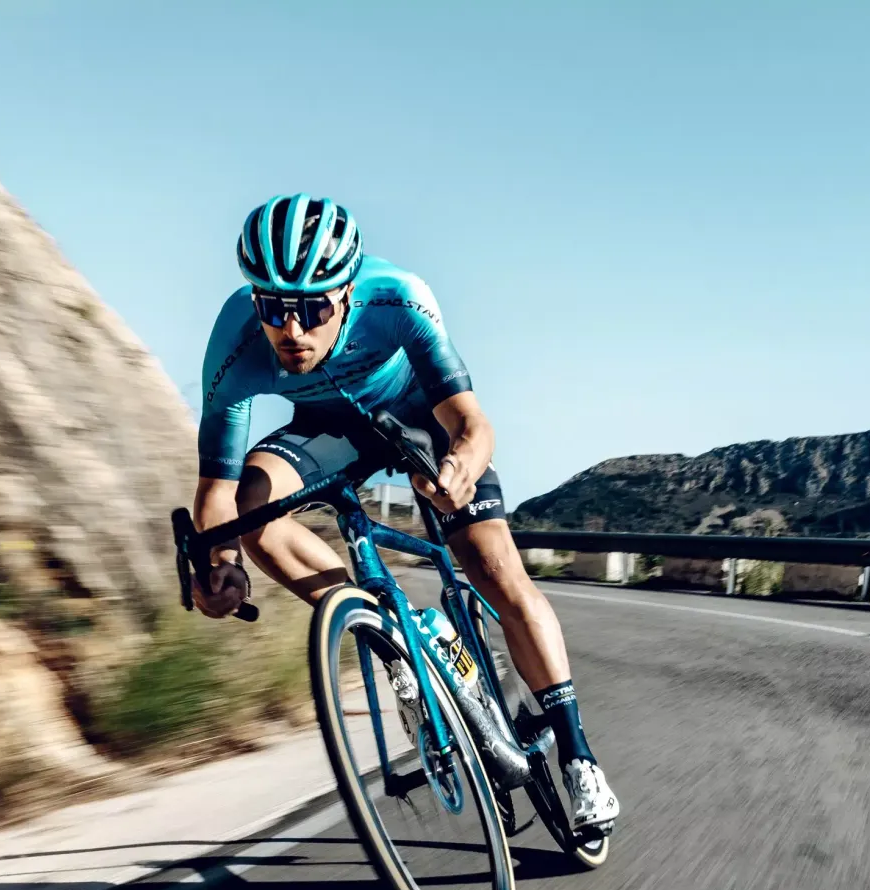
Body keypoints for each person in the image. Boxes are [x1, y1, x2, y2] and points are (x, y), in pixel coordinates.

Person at [188, 193, 619, 828]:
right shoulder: (236, 340)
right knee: (251, 507)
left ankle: (579, 757)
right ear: (256, 300)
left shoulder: (398, 297)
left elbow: (471, 423)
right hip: (329, 430)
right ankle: (390, 632)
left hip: (421, 419)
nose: (293, 330)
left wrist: (460, 469)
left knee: (492, 567)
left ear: (346, 293)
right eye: (275, 308)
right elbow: (217, 490)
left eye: (312, 308)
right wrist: (220, 560)